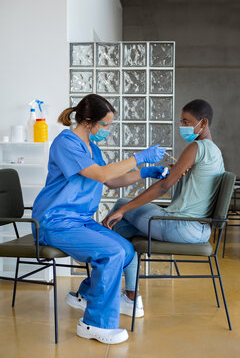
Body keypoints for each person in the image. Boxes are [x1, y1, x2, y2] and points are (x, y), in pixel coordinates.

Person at [31, 94, 167, 344]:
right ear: (88, 121)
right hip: (56, 220)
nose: (107, 129)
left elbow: (111, 180)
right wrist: (139, 158)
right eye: (105, 124)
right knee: (111, 253)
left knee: (126, 250)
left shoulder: (92, 148)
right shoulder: (66, 143)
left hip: (80, 219)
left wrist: (145, 172)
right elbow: (100, 172)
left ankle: (85, 295)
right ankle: (94, 324)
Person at [103, 99, 225, 297]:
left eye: (187, 122)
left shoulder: (196, 147)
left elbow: (164, 187)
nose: (182, 127)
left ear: (203, 123)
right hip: (201, 230)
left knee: (121, 205)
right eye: (181, 122)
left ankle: (103, 288)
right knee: (121, 230)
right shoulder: (215, 152)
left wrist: (123, 211)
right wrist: (175, 172)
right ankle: (130, 296)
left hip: (181, 226)